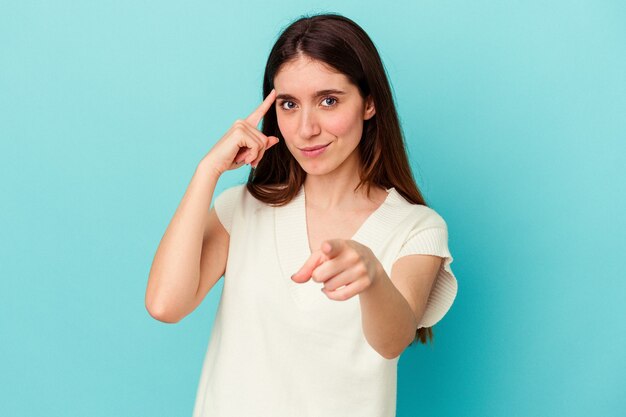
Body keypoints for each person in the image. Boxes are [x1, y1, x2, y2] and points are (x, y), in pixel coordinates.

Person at [145, 12, 458, 417]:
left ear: (369, 103)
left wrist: (372, 276)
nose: (306, 128)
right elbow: (165, 305)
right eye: (289, 105)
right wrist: (207, 171)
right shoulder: (242, 209)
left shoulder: (416, 228)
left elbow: (392, 341)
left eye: (329, 101)